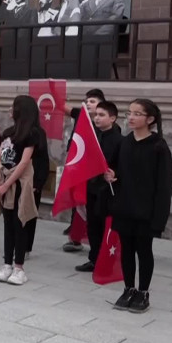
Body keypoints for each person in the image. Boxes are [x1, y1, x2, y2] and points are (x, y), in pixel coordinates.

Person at [104, 99, 172, 314]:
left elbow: (164, 186)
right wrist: (111, 175)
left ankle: (143, 292)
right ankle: (128, 288)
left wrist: (159, 218)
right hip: (124, 206)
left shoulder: (159, 146)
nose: (131, 117)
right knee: (126, 251)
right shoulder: (124, 142)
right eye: (129, 112)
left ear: (150, 119)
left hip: (146, 210)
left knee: (144, 251)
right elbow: (114, 168)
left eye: (137, 113)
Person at [0, 95, 40, 286]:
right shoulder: (8, 132)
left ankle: (19, 267)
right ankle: (7, 264)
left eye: (14, 107)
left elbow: (24, 162)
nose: (11, 111)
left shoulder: (32, 134)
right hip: (4, 182)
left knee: (19, 224)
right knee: (8, 225)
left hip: (18, 184)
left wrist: (6, 184)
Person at [75, 101, 123, 272]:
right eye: (96, 115)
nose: (97, 118)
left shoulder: (119, 140)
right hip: (92, 187)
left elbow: (122, 166)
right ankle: (94, 259)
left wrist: (114, 173)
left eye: (102, 115)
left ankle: (108, 260)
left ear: (113, 118)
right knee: (93, 225)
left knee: (106, 227)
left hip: (108, 190)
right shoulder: (92, 136)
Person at [63, 88, 108, 251]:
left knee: (93, 209)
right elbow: (62, 107)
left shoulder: (108, 128)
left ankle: (97, 245)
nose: (88, 104)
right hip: (79, 169)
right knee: (78, 203)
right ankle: (76, 239)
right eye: (87, 101)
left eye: (93, 101)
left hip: (96, 176)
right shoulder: (81, 116)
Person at [24, 125, 49, 258]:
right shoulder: (12, 131)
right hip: (14, 182)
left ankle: (26, 248)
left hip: (32, 182)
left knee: (29, 216)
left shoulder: (38, 133)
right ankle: (14, 246)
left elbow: (43, 161)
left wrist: (38, 183)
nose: (11, 110)